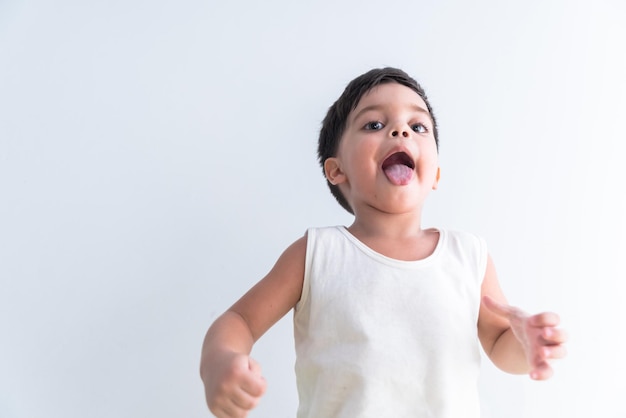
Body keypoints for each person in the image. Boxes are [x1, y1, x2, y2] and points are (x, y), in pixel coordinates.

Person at [200, 67, 567, 418]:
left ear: (436, 173)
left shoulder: (467, 255)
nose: (400, 132)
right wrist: (219, 362)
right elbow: (241, 321)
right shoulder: (317, 253)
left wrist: (528, 343)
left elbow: (501, 343)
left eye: (418, 125)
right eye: (375, 124)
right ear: (336, 169)